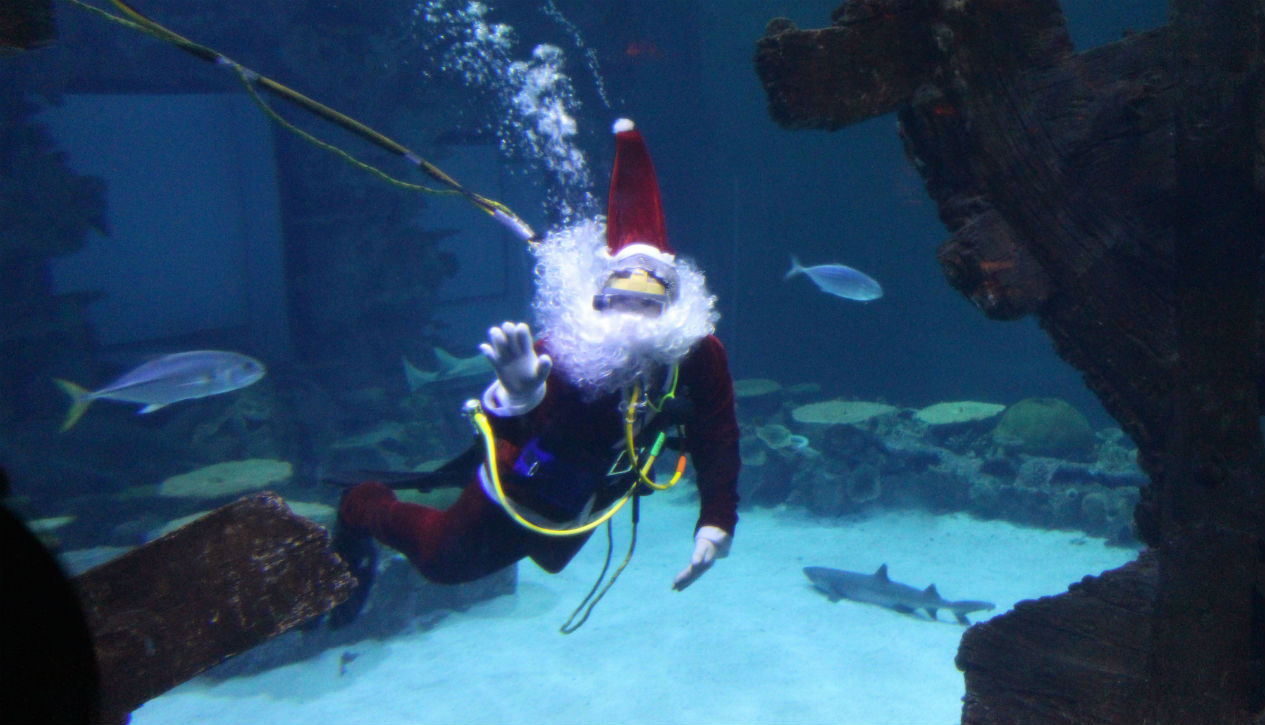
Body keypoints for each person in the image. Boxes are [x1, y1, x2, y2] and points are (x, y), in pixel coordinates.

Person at [333, 118, 739, 619]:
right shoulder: (567, 344)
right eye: (620, 302)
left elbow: (716, 434)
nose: (632, 320)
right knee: (441, 560)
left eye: (647, 305)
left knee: (551, 557)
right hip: (526, 476)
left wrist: (716, 521)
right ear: (598, 299)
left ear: (675, 304)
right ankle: (359, 507)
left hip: (596, 488)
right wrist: (520, 397)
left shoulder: (699, 352)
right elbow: (496, 427)